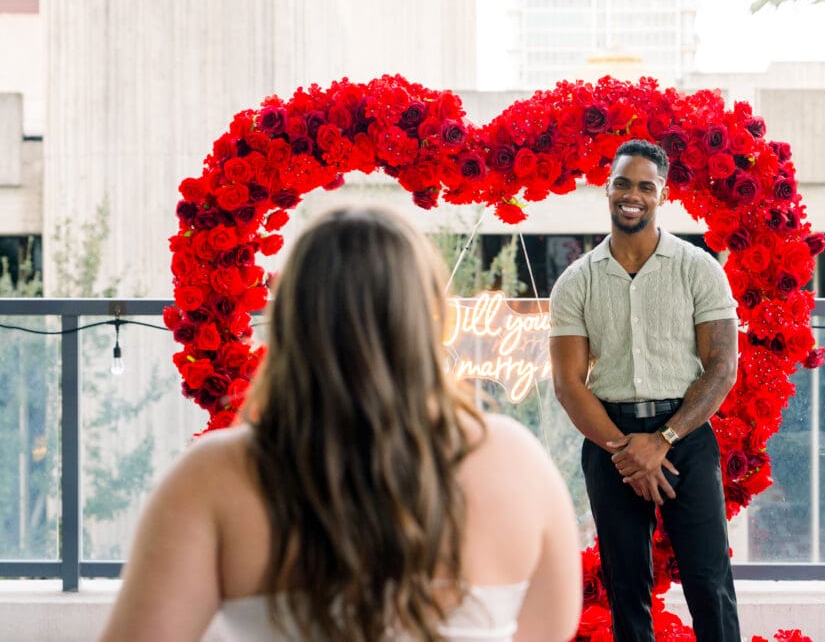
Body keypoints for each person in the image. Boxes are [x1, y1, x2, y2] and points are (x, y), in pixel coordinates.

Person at [100, 205, 582, 642]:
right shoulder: (518, 463)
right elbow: (550, 630)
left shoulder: (213, 477)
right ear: (435, 320)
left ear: (290, 320)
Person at [549, 139, 741, 642]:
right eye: (622, 184)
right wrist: (625, 450)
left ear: (662, 194)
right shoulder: (576, 282)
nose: (631, 195)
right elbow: (569, 384)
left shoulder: (699, 268)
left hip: (686, 438)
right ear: (607, 190)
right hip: (609, 440)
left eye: (644, 186)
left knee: (708, 580)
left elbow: (721, 369)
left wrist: (662, 441)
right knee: (625, 583)